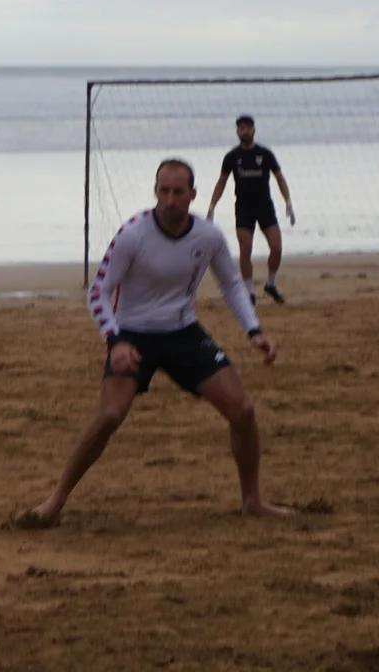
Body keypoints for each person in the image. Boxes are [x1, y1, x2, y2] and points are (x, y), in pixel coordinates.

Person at [19, 158, 292, 528]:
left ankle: (253, 501)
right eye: (164, 191)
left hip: (183, 333)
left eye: (178, 192)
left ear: (193, 195)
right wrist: (115, 341)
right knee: (109, 415)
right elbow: (98, 291)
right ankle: (55, 501)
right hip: (132, 335)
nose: (170, 200)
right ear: (155, 192)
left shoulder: (208, 237)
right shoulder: (133, 234)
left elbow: (230, 285)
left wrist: (254, 331)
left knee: (243, 410)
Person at [206, 115, 296, 305]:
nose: (245, 131)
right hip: (243, 208)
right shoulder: (232, 157)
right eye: (241, 128)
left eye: (248, 128)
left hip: (265, 206)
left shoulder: (265, 154)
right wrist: (212, 206)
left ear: (254, 130)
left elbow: (280, 178)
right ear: (237, 132)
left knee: (276, 247)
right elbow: (221, 182)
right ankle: (248, 292)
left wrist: (288, 201)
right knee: (245, 250)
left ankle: (270, 284)